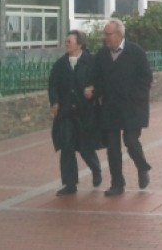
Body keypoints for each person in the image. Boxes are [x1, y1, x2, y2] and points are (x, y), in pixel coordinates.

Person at [90, 18, 153, 197]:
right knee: (112, 148)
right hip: (110, 108)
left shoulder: (136, 52)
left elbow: (146, 78)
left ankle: (142, 167)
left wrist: (136, 96)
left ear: (118, 34)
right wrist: (93, 91)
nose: (105, 38)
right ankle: (117, 183)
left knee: (131, 142)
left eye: (108, 34)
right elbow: (96, 79)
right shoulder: (102, 55)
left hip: (133, 108)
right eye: (104, 34)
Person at [49, 30, 102, 196]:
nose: (66, 44)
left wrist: (93, 90)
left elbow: (100, 82)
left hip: (85, 112)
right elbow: (52, 85)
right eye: (66, 42)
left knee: (85, 147)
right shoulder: (60, 64)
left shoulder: (91, 62)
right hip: (66, 113)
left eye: (69, 42)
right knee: (67, 147)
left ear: (79, 44)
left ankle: (96, 169)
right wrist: (55, 102)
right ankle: (70, 184)